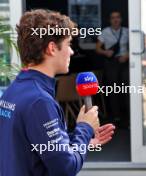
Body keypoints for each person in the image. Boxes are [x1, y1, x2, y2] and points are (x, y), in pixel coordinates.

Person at [0, 9, 115, 176]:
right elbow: (65, 167)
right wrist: (84, 128)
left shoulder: (14, 89)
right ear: (52, 48)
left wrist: (81, 141)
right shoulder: (40, 101)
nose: (72, 51)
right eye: (68, 44)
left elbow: (32, 144)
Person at [96, 11, 129, 128]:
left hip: (125, 63)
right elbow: (97, 49)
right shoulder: (105, 32)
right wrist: (106, 52)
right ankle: (116, 117)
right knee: (113, 90)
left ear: (121, 19)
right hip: (111, 62)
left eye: (117, 17)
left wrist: (127, 56)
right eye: (113, 18)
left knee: (127, 90)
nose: (115, 20)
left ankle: (129, 116)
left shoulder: (127, 31)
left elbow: (136, 46)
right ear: (110, 20)